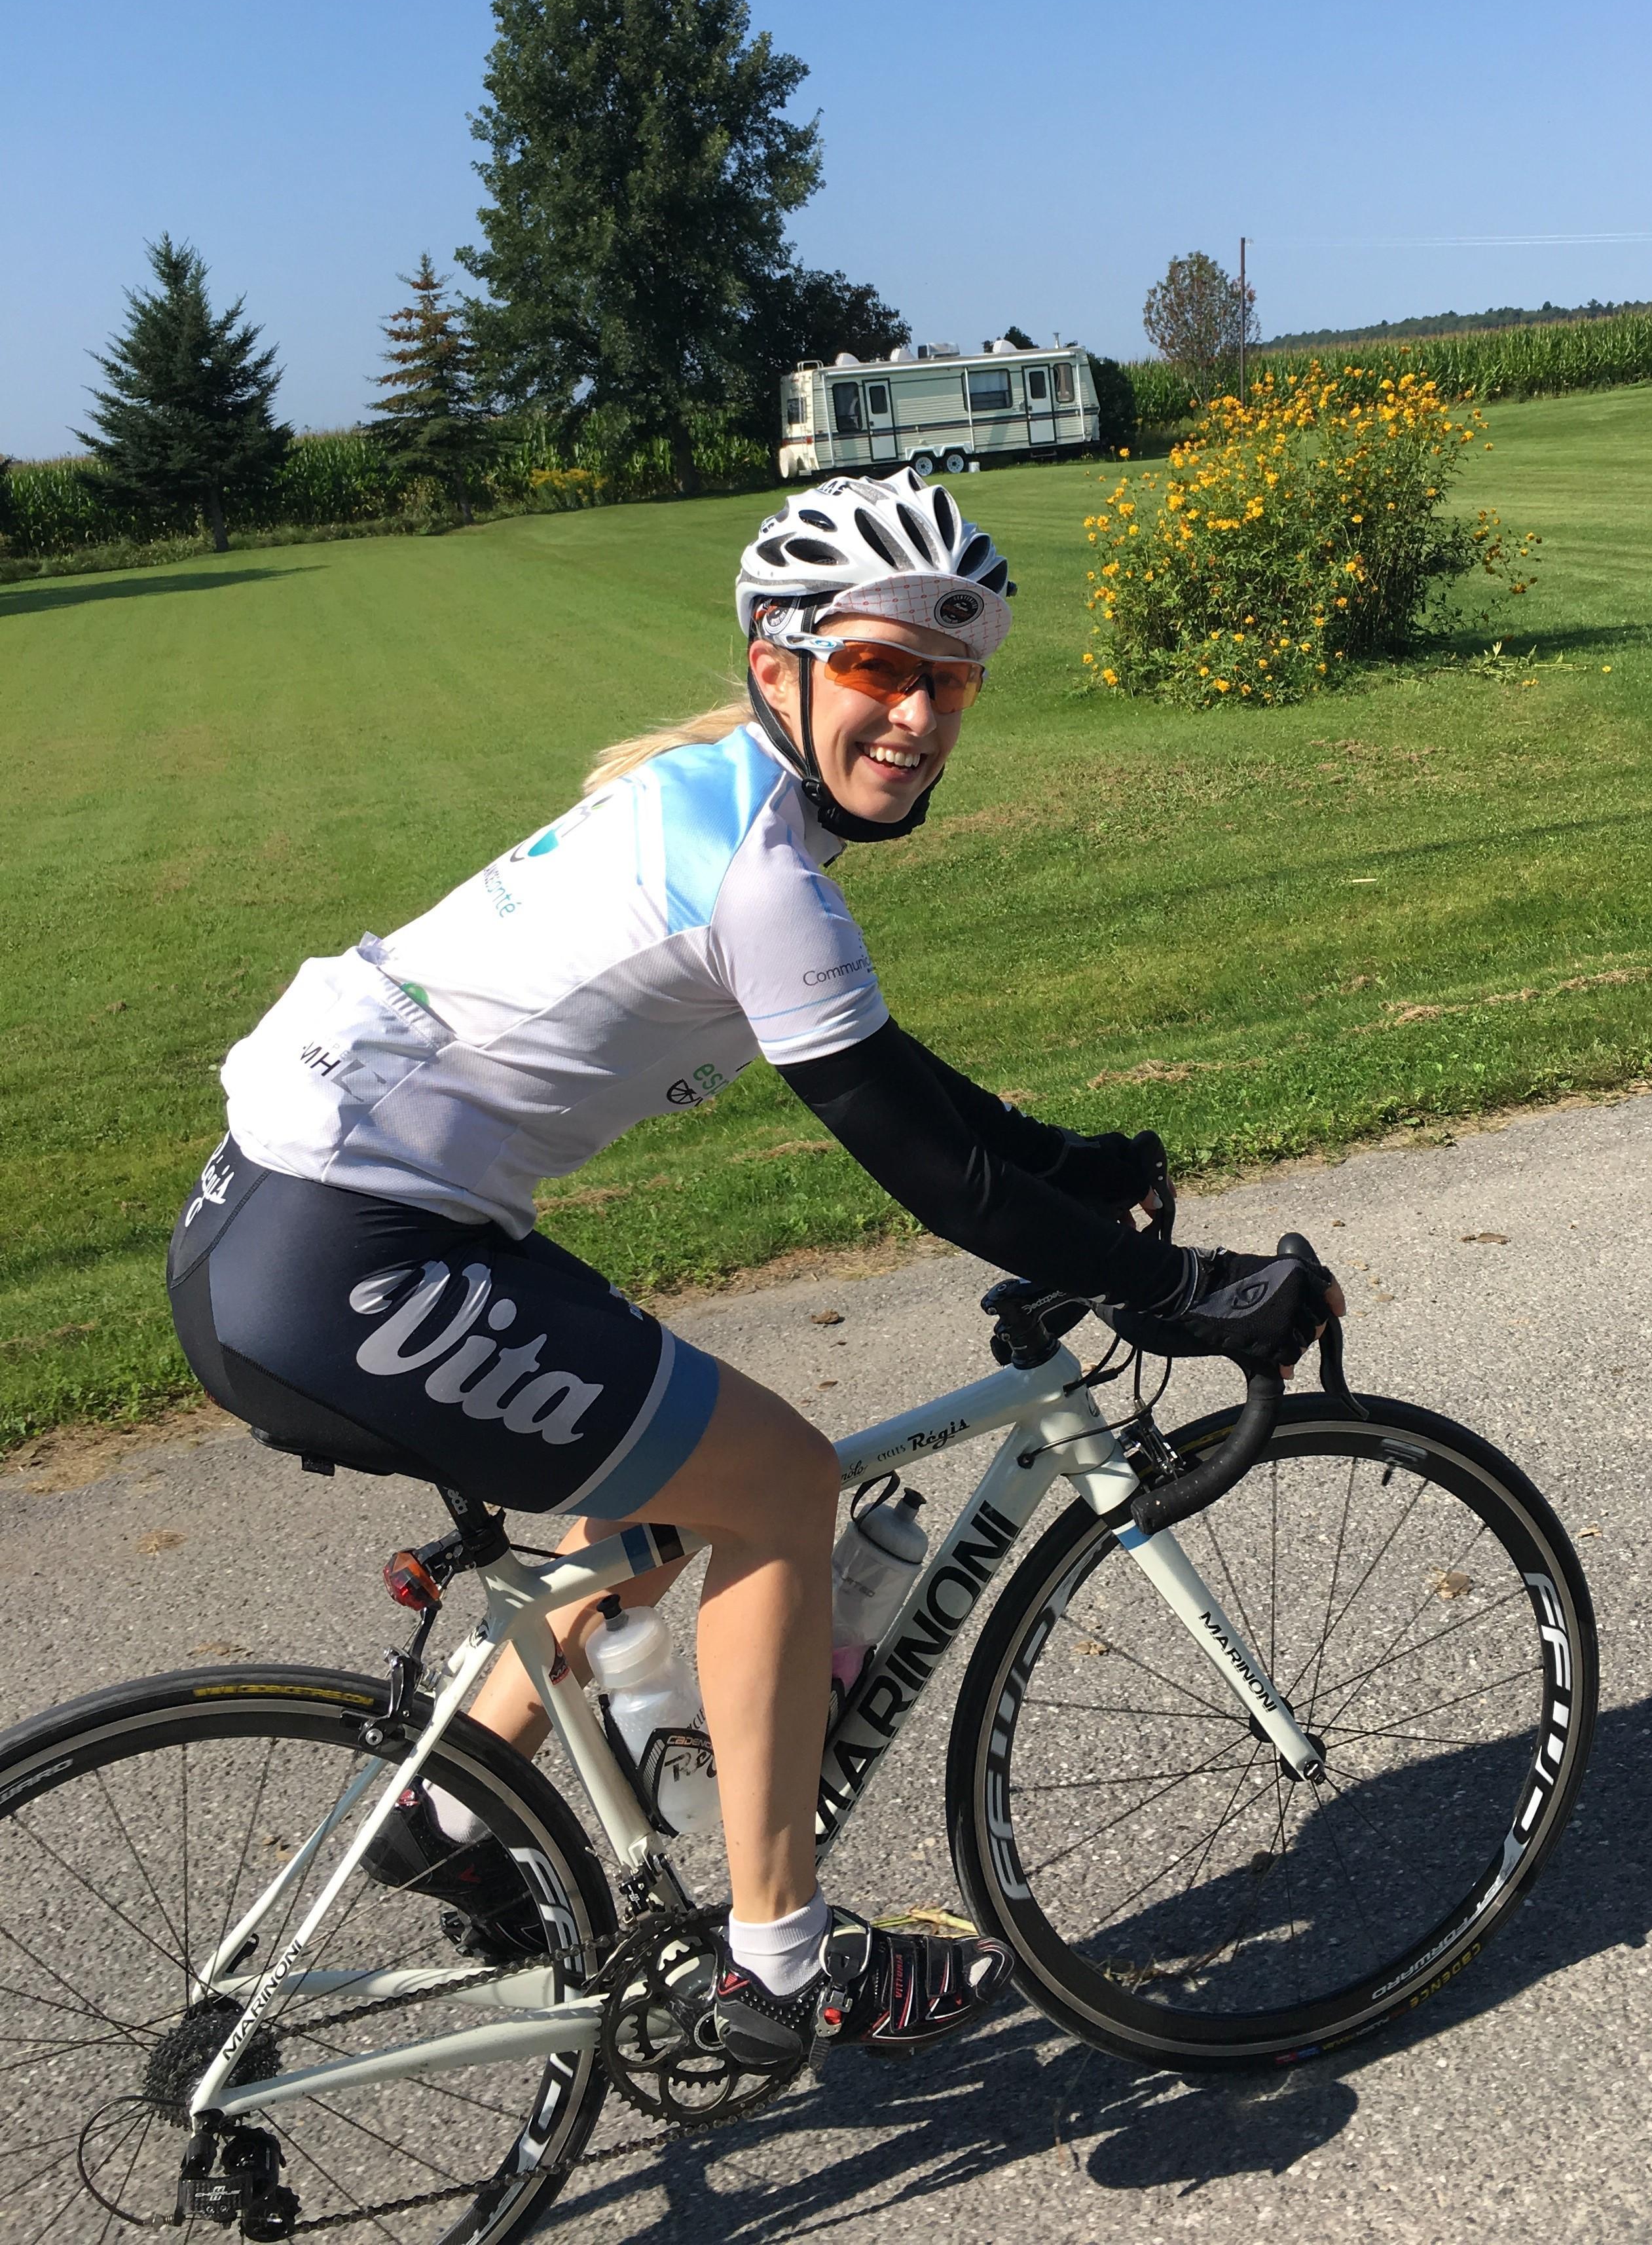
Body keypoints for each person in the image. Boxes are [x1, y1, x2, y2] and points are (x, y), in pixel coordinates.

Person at [166, 470, 1334, 2069]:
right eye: (879, 668)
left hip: (301, 1222)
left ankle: (455, 1807)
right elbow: (933, 1174)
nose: (918, 715)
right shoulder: (758, 873)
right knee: (778, 1484)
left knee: (646, 1479)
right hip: (350, 1255)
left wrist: (1074, 1163)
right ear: (780, 658)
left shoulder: (726, 801)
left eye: (952, 678)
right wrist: (1183, 1296)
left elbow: (898, 1078)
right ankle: (780, 1964)